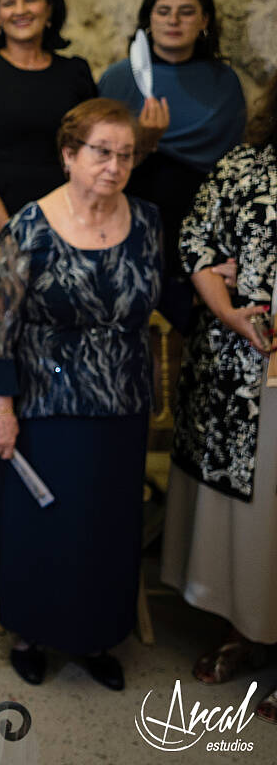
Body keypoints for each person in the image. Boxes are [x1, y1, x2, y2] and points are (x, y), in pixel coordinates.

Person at [0, 99, 162, 690]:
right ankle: (31, 632)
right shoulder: (28, 226)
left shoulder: (150, 220)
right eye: (101, 152)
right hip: (45, 403)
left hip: (123, 401)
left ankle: (97, 635)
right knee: (45, 524)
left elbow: (168, 295)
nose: (114, 166)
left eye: (125, 154)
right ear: (69, 155)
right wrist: (0, 408)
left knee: (108, 525)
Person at [162, 77, 277, 721]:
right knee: (254, 505)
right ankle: (247, 627)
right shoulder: (245, 164)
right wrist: (230, 310)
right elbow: (197, 240)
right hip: (245, 362)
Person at [0, 0, 97, 364]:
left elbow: (90, 151)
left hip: (65, 222)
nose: (20, 9)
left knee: (59, 320)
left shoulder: (75, 71)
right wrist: (13, 231)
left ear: (49, 8)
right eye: (8, 2)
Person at [98, 0, 247, 327]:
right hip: (131, 213)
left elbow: (231, 168)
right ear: (148, 19)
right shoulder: (119, 78)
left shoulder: (223, 82)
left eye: (186, 12)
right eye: (163, 11)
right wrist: (145, 141)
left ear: (205, 20)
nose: (174, 21)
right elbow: (99, 159)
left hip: (200, 218)